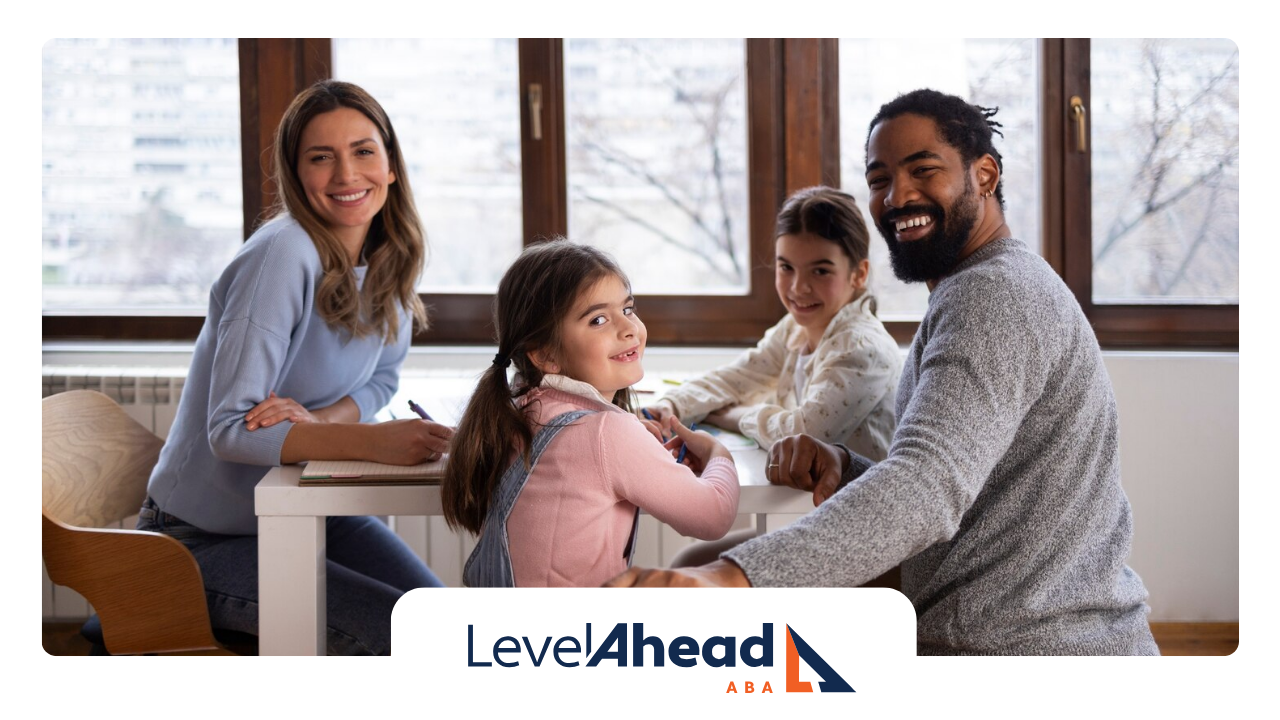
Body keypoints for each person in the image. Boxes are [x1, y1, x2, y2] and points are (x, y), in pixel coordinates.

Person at [608, 89, 1159, 656]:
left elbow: (928, 484)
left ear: (985, 175)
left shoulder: (993, 295)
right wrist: (847, 466)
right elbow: (969, 481)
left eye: (923, 170)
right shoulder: (978, 287)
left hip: (1031, 646)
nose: (898, 196)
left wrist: (733, 581)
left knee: (717, 619)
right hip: (996, 617)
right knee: (703, 578)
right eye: (879, 180)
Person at [138, 80, 449, 655]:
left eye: (362, 151)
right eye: (320, 157)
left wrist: (317, 422)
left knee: (448, 629)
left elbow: (382, 378)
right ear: (296, 174)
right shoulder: (281, 254)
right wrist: (368, 442)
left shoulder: (390, 254)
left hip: (307, 513)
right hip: (199, 540)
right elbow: (231, 430)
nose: (346, 175)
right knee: (406, 641)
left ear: (391, 166)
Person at [441, 240, 740, 587]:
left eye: (627, 309)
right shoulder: (606, 433)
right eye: (598, 319)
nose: (628, 328)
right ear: (545, 355)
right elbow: (712, 517)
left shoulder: (519, 407)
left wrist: (634, 442)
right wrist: (719, 455)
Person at [639, 186, 901, 460]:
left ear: (859, 274)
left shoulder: (862, 348)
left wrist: (737, 416)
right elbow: (738, 377)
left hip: (862, 498)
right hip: (804, 497)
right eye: (786, 267)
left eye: (820, 271)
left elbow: (805, 435)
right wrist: (671, 405)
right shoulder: (796, 328)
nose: (799, 288)